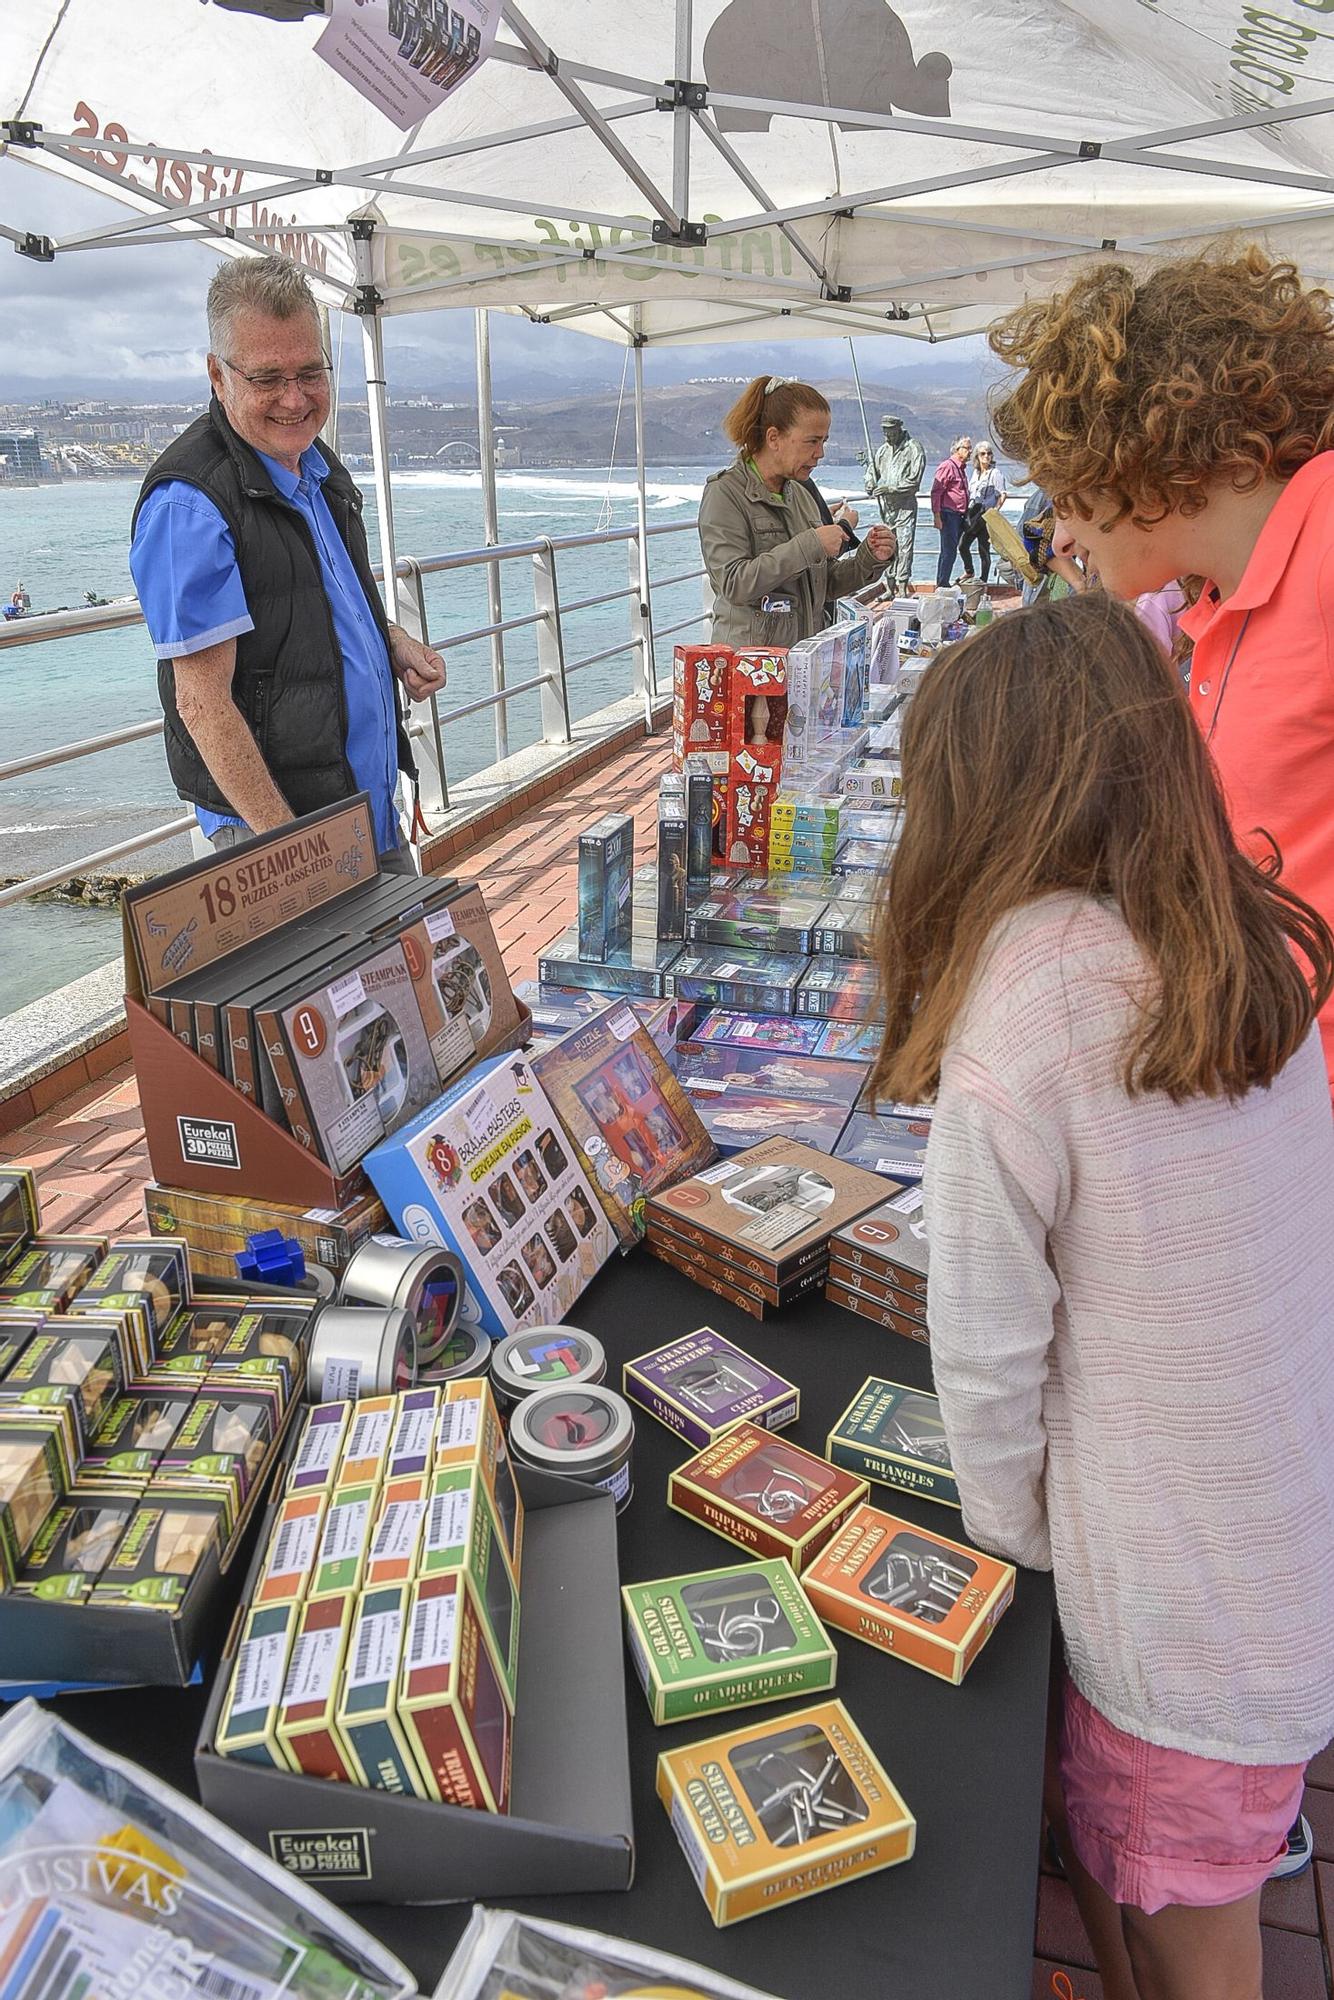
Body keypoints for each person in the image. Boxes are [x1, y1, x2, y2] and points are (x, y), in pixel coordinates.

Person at [871, 590, 1334, 2000]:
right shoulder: (1232, 937)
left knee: (1187, 1930)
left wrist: (1005, 1538)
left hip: (1167, 1616)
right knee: (1194, 1872)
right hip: (1270, 1554)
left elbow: (985, 1347)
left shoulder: (1024, 994)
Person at [989, 249, 1334, 1093]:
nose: (1062, 539)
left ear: (1138, 455)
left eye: (1068, 496)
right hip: (1278, 1079)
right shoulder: (1226, 596)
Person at [129, 254, 445, 872]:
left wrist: (390, 639)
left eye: (310, 372)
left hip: (364, 806)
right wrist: (296, 851)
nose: (295, 399)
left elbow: (318, 602)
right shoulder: (190, 505)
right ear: (218, 376)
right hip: (279, 835)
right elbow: (203, 705)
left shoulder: (315, 465)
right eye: (268, 378)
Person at [697, 376, 894, 648]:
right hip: (752, 671)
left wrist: (869, 559)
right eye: (811, 441)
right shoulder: (725, 494)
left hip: (803, 663)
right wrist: (810, 544)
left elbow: (824, 584)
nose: (820, 453)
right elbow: (734, 584)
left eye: (823, 441)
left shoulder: (800, 493)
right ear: (774, 438)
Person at [860, 413, 926, 593]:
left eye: (891, 433)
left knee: (905, 546)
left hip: (905, 507)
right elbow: (873, 473)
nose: (888, 437)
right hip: (886, 509)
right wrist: (870, 483)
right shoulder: (882, 451)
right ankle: (889, 587)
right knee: (888, 545)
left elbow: (914, 481)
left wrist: (890, 488)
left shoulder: (914, 449)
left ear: (899, 429)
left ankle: (902, 586)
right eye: (885, 434)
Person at [957, 443, 1007, 584]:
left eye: (989, 453)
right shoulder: (976, 473)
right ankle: (969, 571)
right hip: (972, 515)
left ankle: (983, 580)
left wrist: (995, 511)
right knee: (962, 545)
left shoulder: (995, 473)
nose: (987, 456)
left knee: (983, 549)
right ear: (977, 457)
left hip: (985, 516)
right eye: (983, 454)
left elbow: (1002, 494)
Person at [930, 436, 972, 588]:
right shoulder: (947, 466)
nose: (970, 451)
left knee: (952, 549)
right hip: (949, 514)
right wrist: (937, 516)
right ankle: (942, 583)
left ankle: (943, 581)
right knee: (948, 550)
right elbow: (936, 492)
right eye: (967, 448)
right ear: (957, 449)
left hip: (959, 515)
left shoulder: (960, 468)